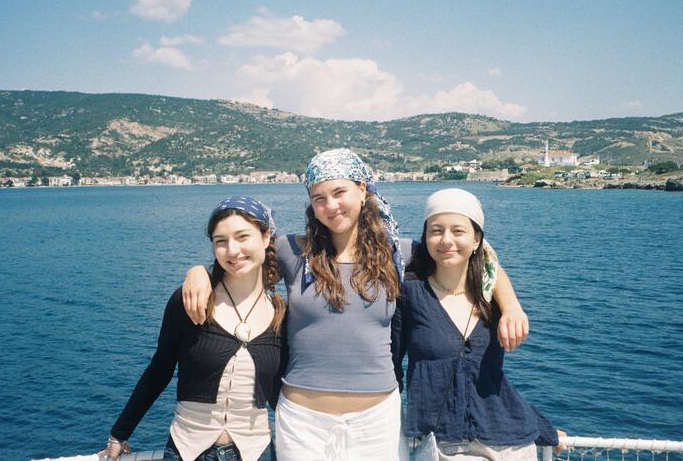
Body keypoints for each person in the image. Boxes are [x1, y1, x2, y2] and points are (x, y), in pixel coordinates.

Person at [182, 149, 529, 461]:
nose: (330, 206)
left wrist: (510, 306)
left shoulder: (400, 255)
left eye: (339, 193)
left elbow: (477, 256)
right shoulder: (293, 252)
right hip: (303, 421)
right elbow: (238, 259)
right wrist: (198, 272)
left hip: (376, 420)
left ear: (363, 191)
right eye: (319, 198)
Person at [98, 197, 286, 461]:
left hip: (257, 452)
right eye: (221, 241)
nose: (232, 250)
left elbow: (282, 391)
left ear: (266, 237)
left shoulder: (279, 314)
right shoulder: (190, 302)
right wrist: (119, 433)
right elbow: (158, 371)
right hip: (187, 451)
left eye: (243, 236)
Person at [393, 188, 562, 461]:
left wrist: (545, 430)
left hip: (511, 445)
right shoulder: (410, 294)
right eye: (436, 231)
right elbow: (391, 369)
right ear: (425, 238)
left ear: (477, 240)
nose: (446, 240)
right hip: (443, 446)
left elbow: (493, 382)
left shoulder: (492, 299)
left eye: (458, 231)